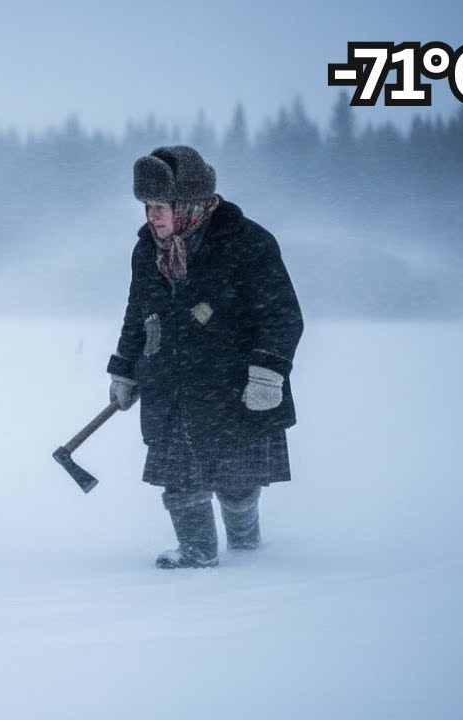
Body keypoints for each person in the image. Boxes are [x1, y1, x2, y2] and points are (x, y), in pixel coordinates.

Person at [107, 145, 303, 569]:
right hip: (172, 383)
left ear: (189, 203)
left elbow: (282, 315)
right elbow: (138, 313)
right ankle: (196, 556)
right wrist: (124, 369)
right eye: (146, 206)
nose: (151, 217)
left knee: (237, 481)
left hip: (232, 385)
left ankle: (248, 552)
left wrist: (268, 373)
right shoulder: (147, 250)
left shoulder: (247, 243)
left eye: (160, 206)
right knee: (181, 480)